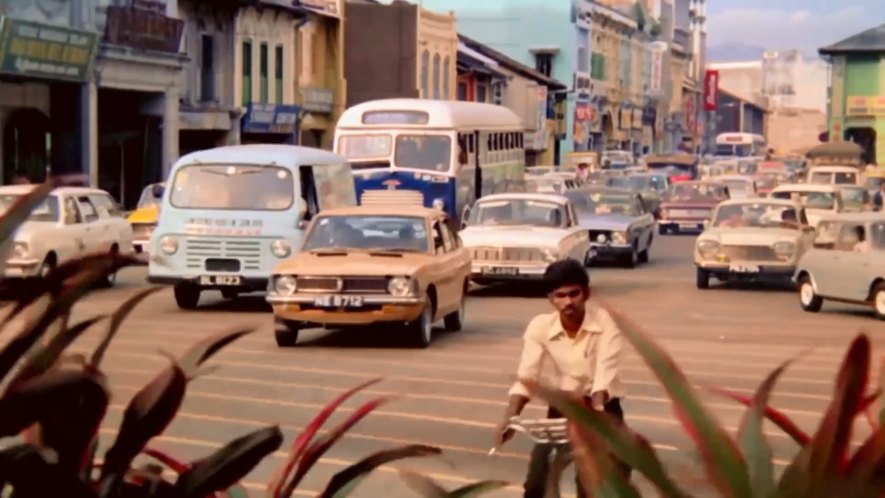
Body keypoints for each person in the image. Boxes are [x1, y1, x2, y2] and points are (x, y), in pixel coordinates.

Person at [494, 259, 628, 498]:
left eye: (574, 294)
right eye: (560, 295)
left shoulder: (605, 321)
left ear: (586, 293)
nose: (568, 302)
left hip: (602, 408)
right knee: (537, 481)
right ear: (551, 299)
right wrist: (510, 416)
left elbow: (604, 374)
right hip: (562, 409)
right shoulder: (540, 327)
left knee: (594, 483)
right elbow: (527, 375)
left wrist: (595, 415)